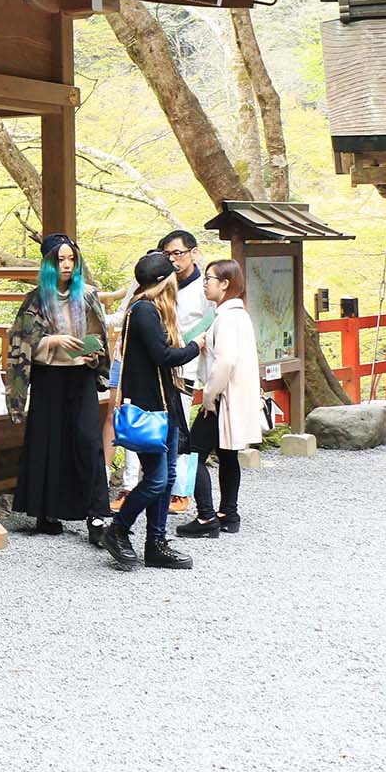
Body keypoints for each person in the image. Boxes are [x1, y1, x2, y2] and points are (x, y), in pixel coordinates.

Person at [6, 233, 114, 540]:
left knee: (88, 442)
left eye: (71, 259)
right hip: (50, 377)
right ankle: (46, 511)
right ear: (50, 264)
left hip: (81, 376)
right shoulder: (36, 299)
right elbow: (20, 341)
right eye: (60, 260)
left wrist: (94, 355)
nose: (67, 265)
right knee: (48, 442)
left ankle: (96, 515)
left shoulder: (88, 296)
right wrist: (51, 340)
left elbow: (101, 337)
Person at [104, 251, 204, 571]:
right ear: (163, 282)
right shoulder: (145, 310)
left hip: (165, 405)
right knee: (158, 480)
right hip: (151, 407)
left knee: (167, 475)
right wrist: (195, 346)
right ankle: (118, 529)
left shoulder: (152, 309)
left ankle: (156, 542)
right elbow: (163, 356)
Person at [179, 259, 263, 538]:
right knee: (228, 455)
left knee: (193, 453)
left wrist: (208, 396)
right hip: (236, 397)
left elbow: (225, 361)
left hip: (221, 398)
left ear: (225, 284)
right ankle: (229, 512)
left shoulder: (227, 318)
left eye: (209, 279)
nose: (205, 284)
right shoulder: (238, 315)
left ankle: (206, 517)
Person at [157, 230, 214, 514]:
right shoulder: (163, 283)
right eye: (168, 254)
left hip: (187, 365)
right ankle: (164, 485)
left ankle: (182, 492)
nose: (173, 259)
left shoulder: (204, 287)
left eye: (177, 253)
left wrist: (189, 343)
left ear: (193, 252)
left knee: (181, 428)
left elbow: (211, 322)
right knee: (165, 427)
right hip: (162, 362)